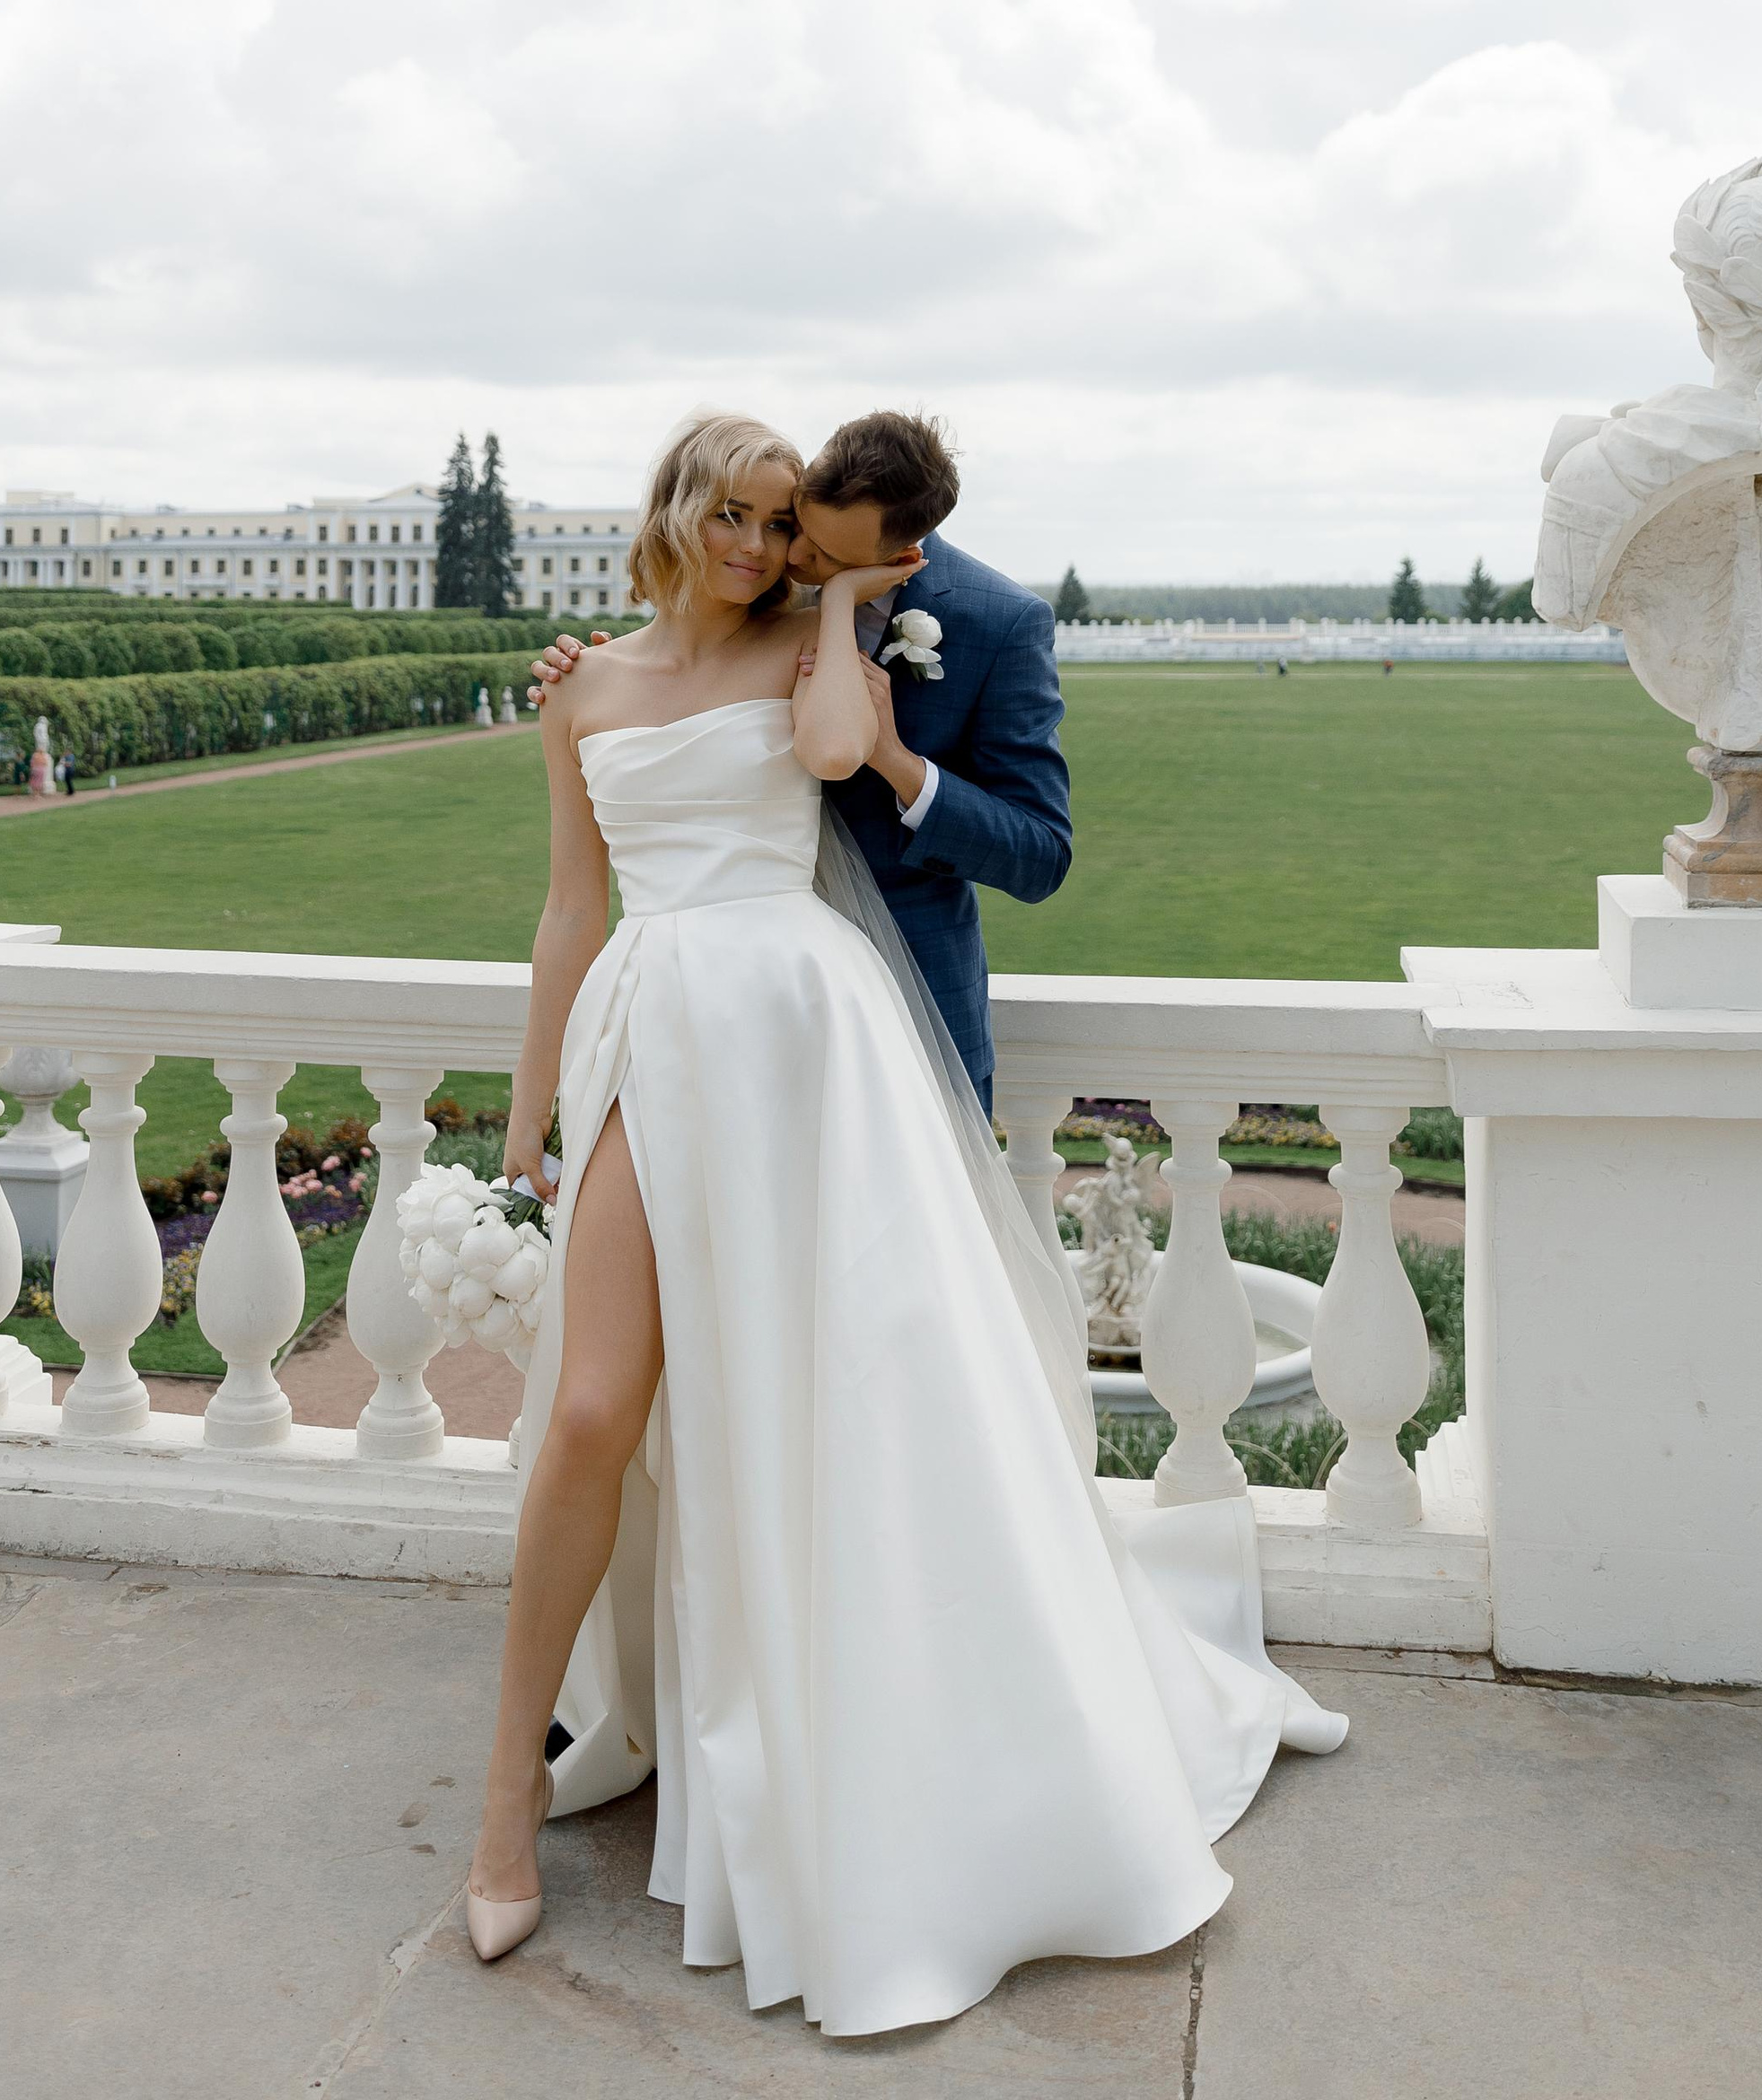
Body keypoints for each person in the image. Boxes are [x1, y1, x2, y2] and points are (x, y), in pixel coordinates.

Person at [467, 410, 1341, 2034]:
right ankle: (501, 1797)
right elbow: (570, 899)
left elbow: (836, 769)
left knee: (856, 1408)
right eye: (729, 515)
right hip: (651, 1034)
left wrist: (851, 610)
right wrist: (531, 1098)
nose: (754, 542)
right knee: (591, 1410)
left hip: (809, 1041)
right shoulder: (579, 687)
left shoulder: (836, 633)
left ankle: (859, 1738)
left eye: (778, 518)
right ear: (672, 510)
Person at [530, 410, 1067, 1113]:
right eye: (798, 528)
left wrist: (898, 762)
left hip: (908, 996)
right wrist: (608, 680)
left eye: (831, 558)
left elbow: (1040, 855)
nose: (794, 561)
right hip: (705, 998)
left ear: (902, 553)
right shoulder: (762, 569)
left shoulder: (998, 622)